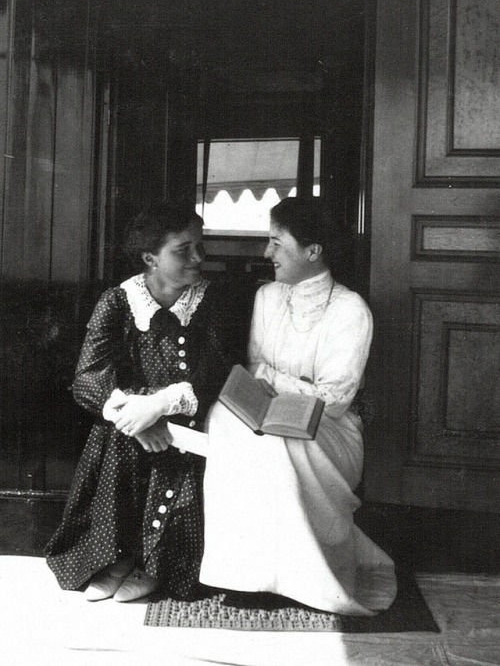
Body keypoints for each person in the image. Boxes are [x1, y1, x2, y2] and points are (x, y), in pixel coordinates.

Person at [199, 197, 397, 615]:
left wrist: (274, 380)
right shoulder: (267, 297)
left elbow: (336, 401)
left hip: (331, 430)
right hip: (271, 412)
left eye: (276, 243)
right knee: (224, 422)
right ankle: (242, 573)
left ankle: (295, 578)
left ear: (313, 251)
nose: (267, 253)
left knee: (272, 443)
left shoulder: (350, 309)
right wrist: (279, 383)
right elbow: (255, 369)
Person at [46, 201, 238, 602]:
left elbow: (216, 373)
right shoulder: (118, 302)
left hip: (192, 420)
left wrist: (162, 405)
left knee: (179, 457)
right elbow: (87, 378)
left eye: (199, 246)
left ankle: (155, 565)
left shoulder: (212, 302)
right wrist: (137, 414)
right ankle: (117, 557)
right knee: (121, 439)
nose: (198, 258)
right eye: (183, 250)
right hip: (132, 423)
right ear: (150, 258)